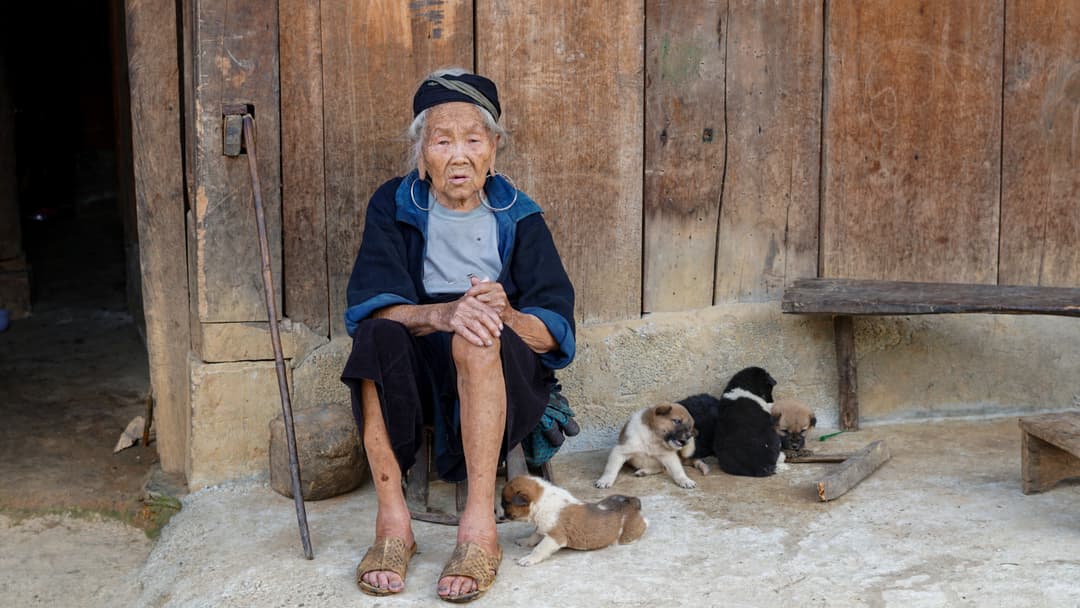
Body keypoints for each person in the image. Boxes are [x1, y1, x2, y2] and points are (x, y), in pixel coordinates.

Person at [340, 68, 576, 603]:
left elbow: (554, 331)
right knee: (374, 340)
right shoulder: (394, 205)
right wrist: (446, 313)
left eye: (473, 139)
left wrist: (505, 315)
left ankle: (478, 533)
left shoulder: (521, 215)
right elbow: (369, 309)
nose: (459, 155)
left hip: (502, 369)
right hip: (420, 369)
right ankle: (393, 524)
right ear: (422, 152)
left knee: (478, 331)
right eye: (443, 141)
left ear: (494, 149)